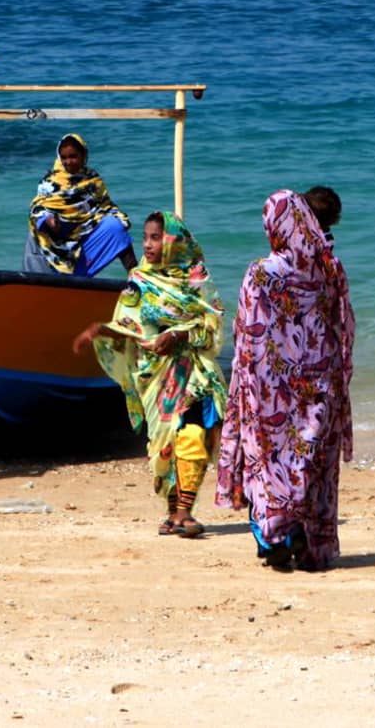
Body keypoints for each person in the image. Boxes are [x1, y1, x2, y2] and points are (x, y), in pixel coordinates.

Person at [216, 189, 356, 572]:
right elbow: (340, 324)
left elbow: (246, 334)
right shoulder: (329, 266)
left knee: (269, 458)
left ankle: (277, 534)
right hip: (319, 382)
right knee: (311, 461)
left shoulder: (260, 272)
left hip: (270, 387)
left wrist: (242, 387)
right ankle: (311, 545)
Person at [74, 211, 227, 539]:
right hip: (154, 376)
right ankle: (172, 513)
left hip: (193, 371)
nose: (148, 244)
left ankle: (185, 511)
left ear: (173, 239)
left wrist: (179, 335)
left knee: (192, 437)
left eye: (156, 237)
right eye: (145, 237)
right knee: (163, 446)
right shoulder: (140, 281)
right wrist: (102, 331)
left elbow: (213, 323)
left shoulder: (196, 276)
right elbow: (128, 328)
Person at [23, 133, 136, 276]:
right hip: (54, 250)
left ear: (83, 156)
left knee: (116, 227)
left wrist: (118, 217)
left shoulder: (93, 180)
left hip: (83, 240)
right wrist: (48, 219)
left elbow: (105, 207)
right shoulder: (50, 182)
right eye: (64, 157)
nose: (68, 162)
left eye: (73, 156)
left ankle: (136, 278)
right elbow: (37, 209)